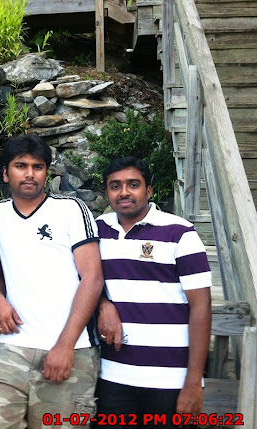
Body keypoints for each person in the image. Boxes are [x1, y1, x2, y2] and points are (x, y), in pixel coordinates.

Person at [0, 134, 104, 429]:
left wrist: (65, 346)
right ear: (5, 172)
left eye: (38, 167)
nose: (29, 174)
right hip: (12, 349)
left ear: (46, 172)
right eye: (20, 166)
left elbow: (92, 277)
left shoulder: (71, 210)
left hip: (72, 350)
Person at [95, 156, 212, 428]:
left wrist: (194, 381)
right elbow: (83, 279)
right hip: (114, 375)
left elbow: (201, 307)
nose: (124, 192)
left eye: (133, 184)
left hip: (169, 379)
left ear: (148, 190)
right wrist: (103, 304)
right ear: (107, 192)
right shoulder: (97, 230)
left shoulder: (180, 233)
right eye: (115, 186)